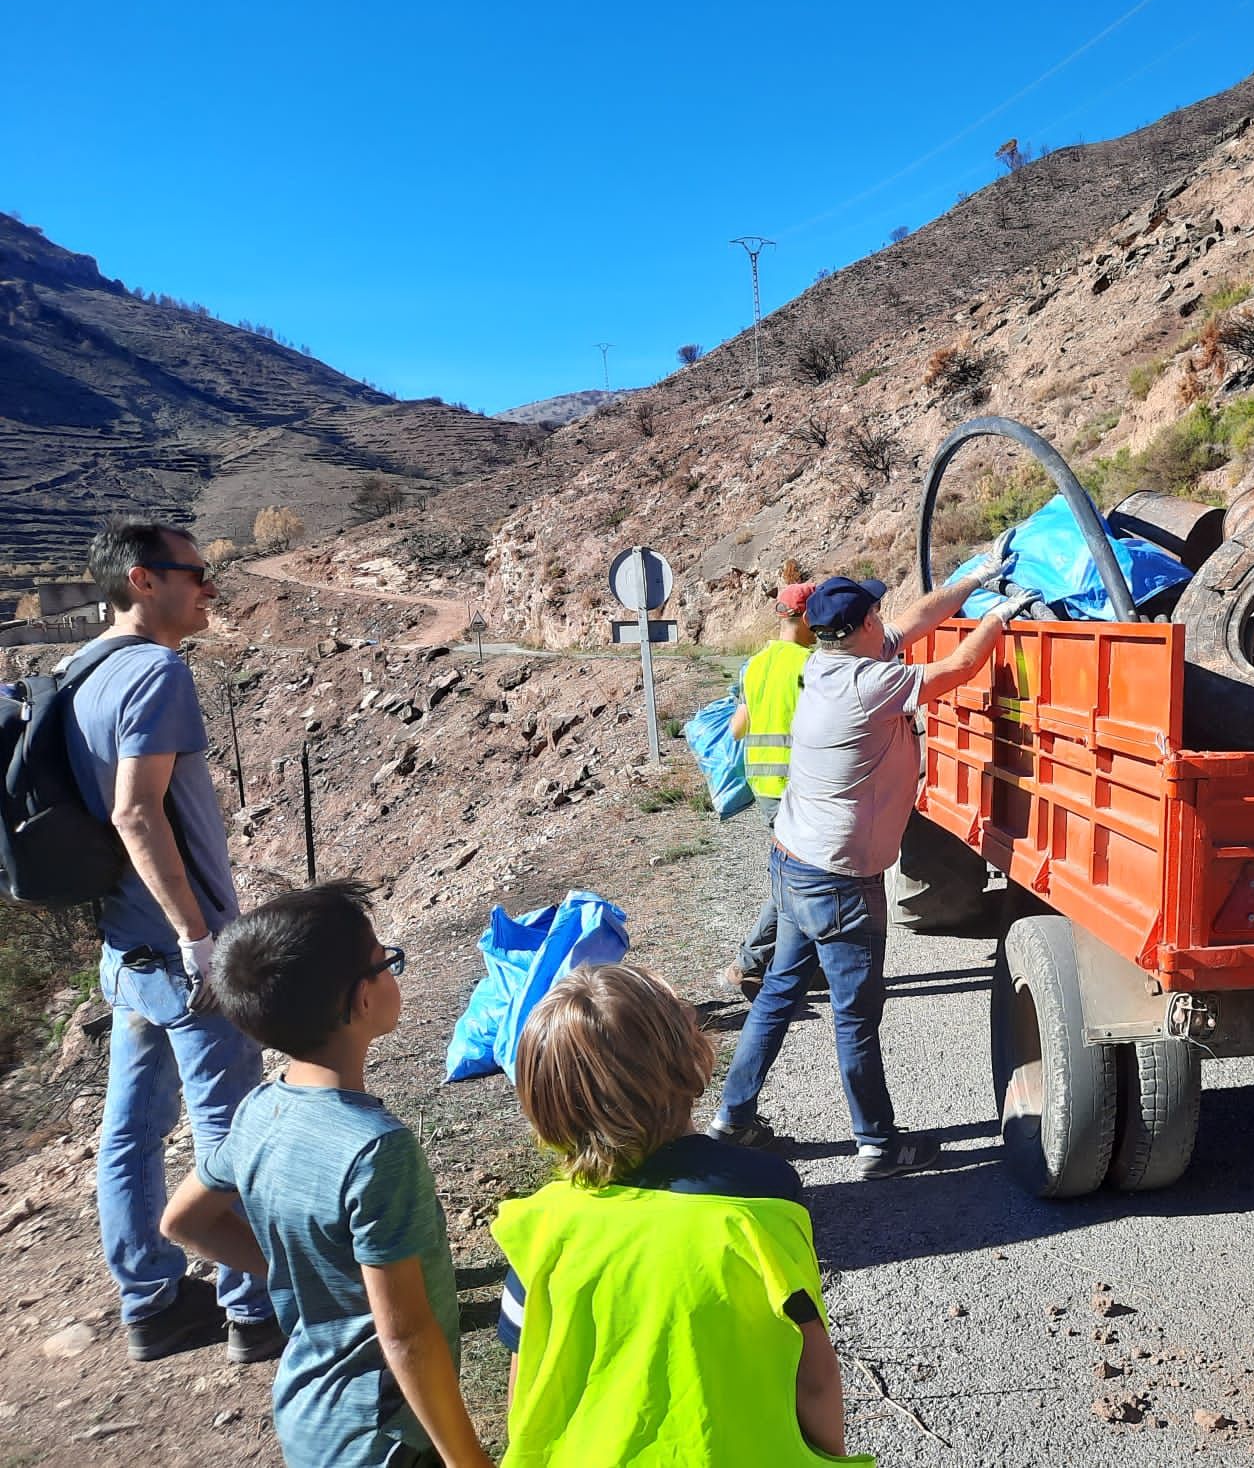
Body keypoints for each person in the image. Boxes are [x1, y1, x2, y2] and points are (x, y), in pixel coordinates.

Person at [710, 545, 1031, 1179]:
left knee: (778, 993)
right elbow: (961, 668)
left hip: (794, 863)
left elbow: (913, 621)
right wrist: (1002, 617)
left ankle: (733, 1118)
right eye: (874, 613)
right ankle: (878, 1144)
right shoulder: (869, 685)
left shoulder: (826, 665)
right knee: (856, 1015)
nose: (884, 619)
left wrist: (974, 579)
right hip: (837, 885)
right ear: (859, 627)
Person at [163, 880, 490, 1468]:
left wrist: (300, 1273)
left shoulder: (260, 1108)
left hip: (310, 1413)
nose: (394, 972)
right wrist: (470, 1460)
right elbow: (407, 1337)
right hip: (384, 1437)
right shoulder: (377, 1150)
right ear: (360, 1000)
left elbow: (183, 1220)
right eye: (385, 963)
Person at [493, 963, 867, 1466]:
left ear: (545, 1099)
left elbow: (527, 1385)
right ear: (692, 1058)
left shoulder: (536, 1228)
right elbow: (814, 1374)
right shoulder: (762, 1198)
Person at [62, 520, 280, 1363]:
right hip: (181, 949)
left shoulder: (79, 673)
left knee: (130, 1131)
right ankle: (254, 1306)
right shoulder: (154, 672)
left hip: (125, 946)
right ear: (144, 580)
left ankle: (150, 1303)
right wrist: (199, 938)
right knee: (229, 1124)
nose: (210, 588)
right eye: (196, 573)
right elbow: (134, 810)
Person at [717, 579, 818, 1000]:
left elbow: (736, 727)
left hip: (764, 786)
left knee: (798, 877)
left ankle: (784, 963)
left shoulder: (756, 664)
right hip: (795, 788)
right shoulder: (807, 666)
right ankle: (747, 963)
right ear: (809, 617)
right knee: (796, 882)